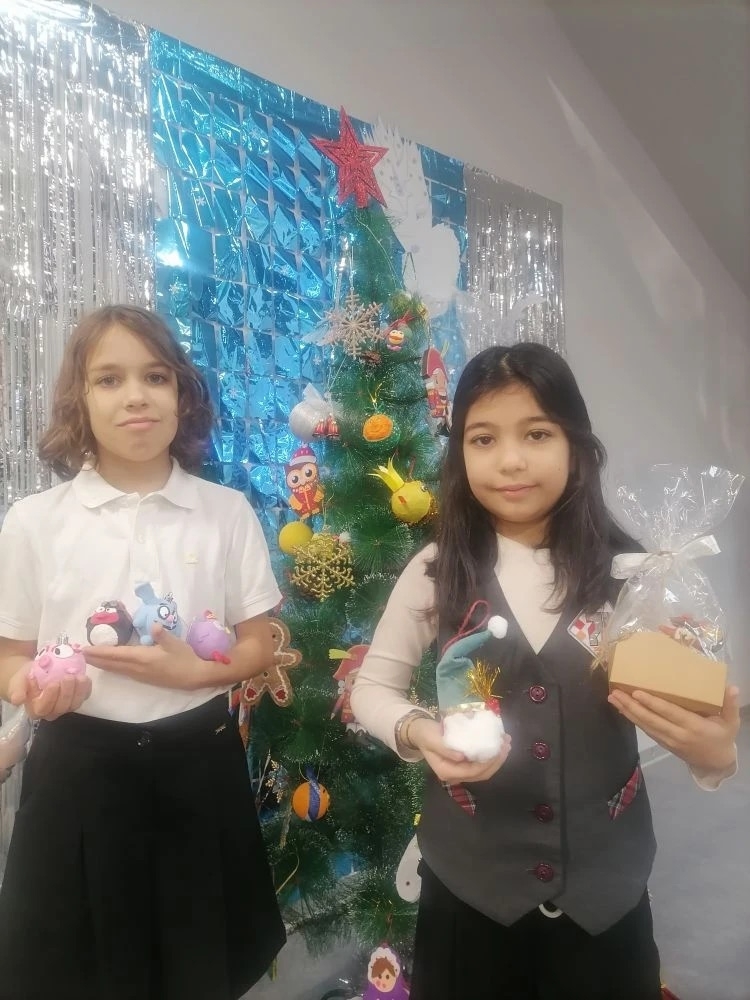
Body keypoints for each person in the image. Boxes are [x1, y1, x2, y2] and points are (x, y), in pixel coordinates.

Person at [351, 342, 740, 1000]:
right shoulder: (435, 570)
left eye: (537, 434)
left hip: (605, 895)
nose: (510, 460)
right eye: (483, 439)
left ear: (576, 445)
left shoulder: (635, 576)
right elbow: (372, 689)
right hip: (471, 891)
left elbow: (694, 714)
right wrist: (419, 732)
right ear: (460, 454)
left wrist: (714, 756)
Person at [0, 305, 285, 1000]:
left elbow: (261, 641)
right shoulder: (35, 522)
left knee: (198, 966)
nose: (136, 396)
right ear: (80, 398)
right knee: (75, 970)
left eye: (155, 377)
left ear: (182, 395)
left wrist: (197, 671)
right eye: (109, 379)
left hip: (199, 766)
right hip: (76, 774)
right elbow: (10, 656)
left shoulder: (226, 512)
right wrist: (30, 688)